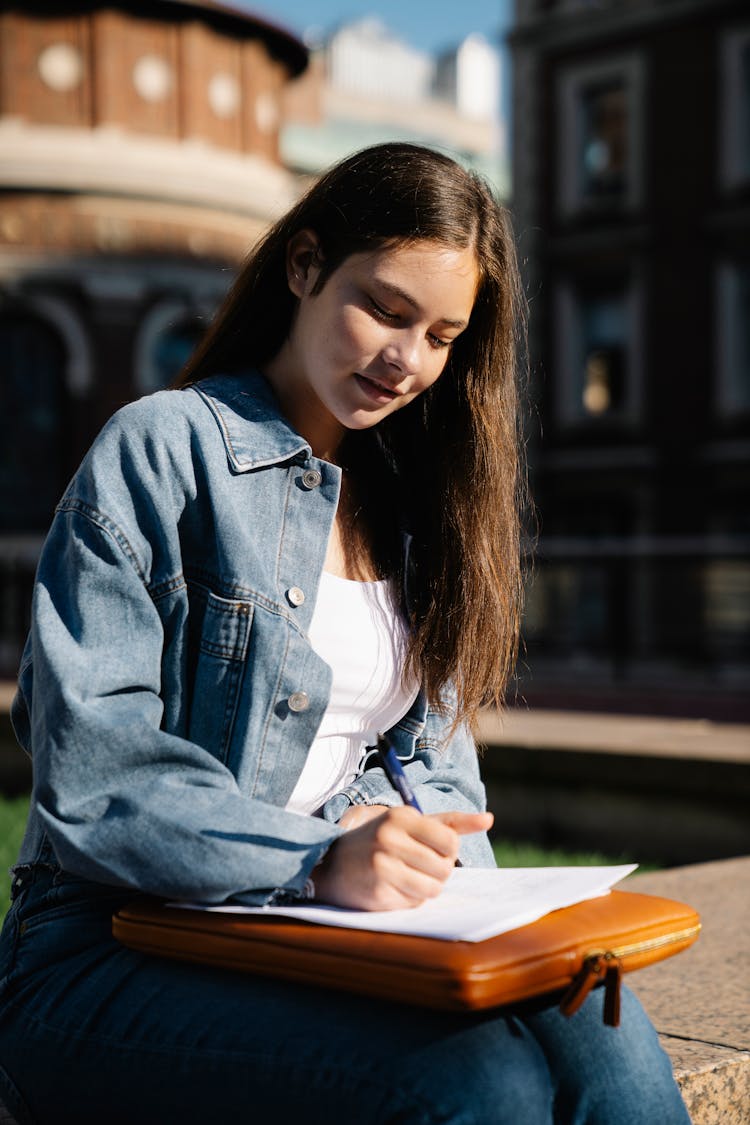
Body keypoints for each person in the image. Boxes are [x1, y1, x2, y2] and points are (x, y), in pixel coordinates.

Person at [0, 143, 689, 1124]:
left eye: (444, 334)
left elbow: (438, 780)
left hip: (331, 926)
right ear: (304, 267)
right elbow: (95, 770)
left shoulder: (421, 498)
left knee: (611, 1050)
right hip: (114, 943)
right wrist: (316, 857)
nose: (408, 360)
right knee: (478, 1086)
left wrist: (469, 906)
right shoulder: (164, 448)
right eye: (386, 308)